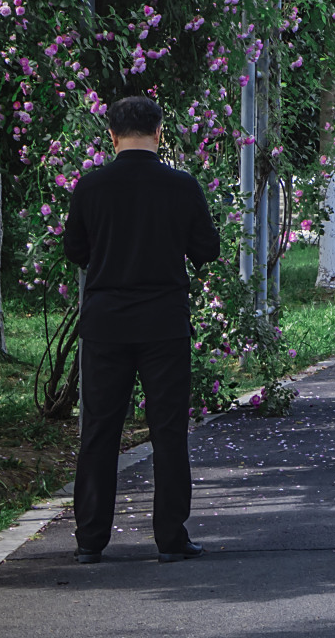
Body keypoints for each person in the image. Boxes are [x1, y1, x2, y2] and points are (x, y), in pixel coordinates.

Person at [63, 95, 221, 564]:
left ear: (111, 136)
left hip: (107, 323)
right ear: (160, 133)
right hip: (164, 323)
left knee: (99, 430)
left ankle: (91, 539)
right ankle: (171, 538)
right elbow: (207, 250)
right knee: (168, 430)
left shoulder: (90, 187)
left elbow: (75, 250)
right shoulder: (180, 185)